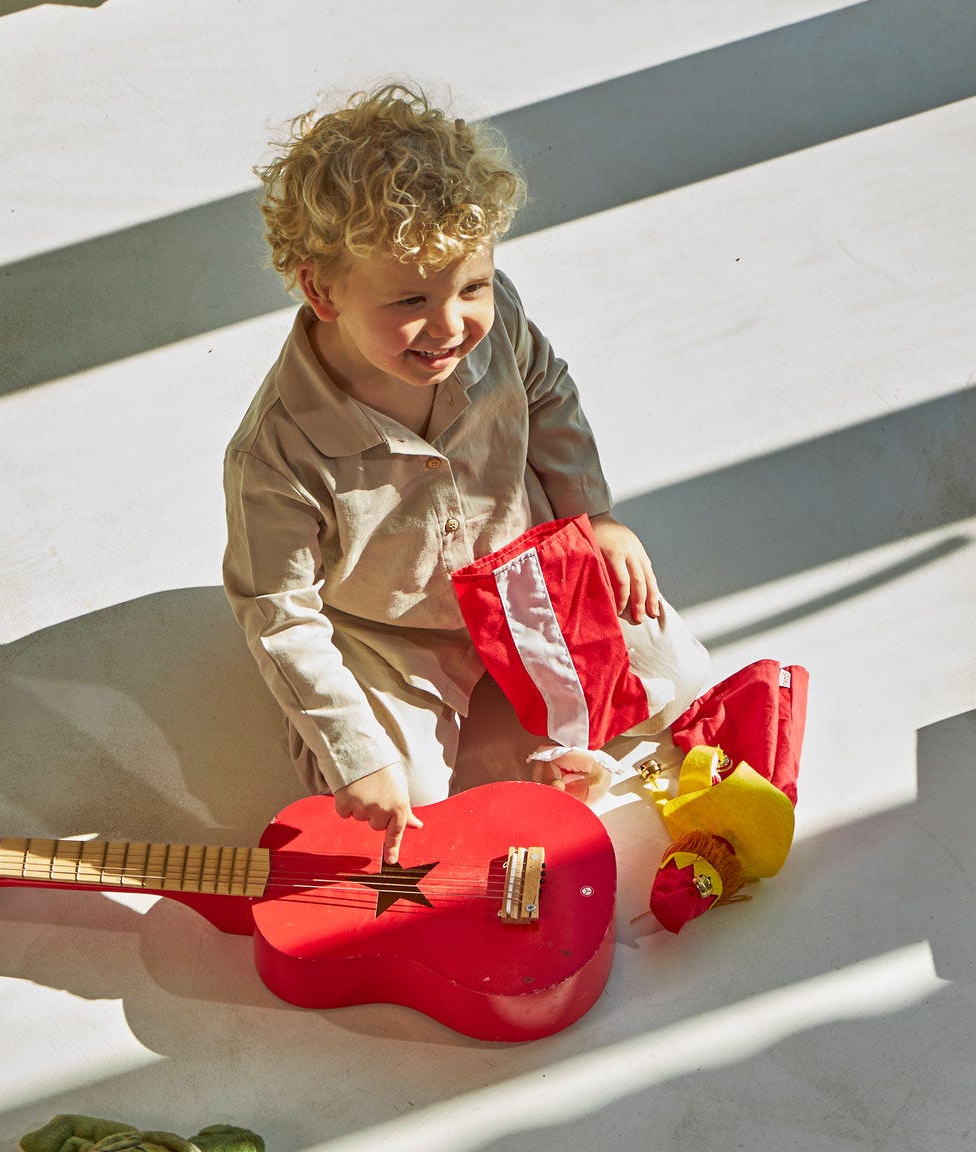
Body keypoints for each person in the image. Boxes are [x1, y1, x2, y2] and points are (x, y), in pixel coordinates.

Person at [223, 83, 710, 864]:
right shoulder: (275, 455)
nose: (451, 327)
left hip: (523, 575)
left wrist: (595, 519)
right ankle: (407, 738)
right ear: (322, 289)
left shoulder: (496, 319)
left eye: (472, 287)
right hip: (388, 632)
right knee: (401, 806)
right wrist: (360, 756)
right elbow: (279, 612)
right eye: (409, 299)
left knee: (676, 683)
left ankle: (515, 720)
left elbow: (549, 394)